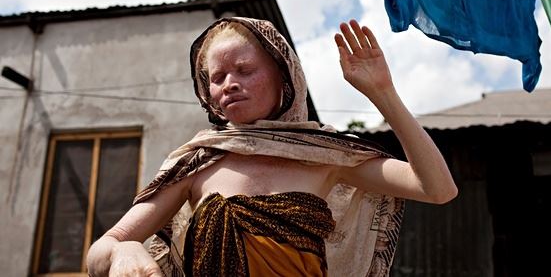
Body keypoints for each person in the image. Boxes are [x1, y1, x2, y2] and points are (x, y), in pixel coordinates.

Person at [87, 17, 457, 277]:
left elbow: (437, 188)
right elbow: (99, 252)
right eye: (217, 77)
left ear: (285, 80)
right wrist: (124, 249)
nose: (230, 83)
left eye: (245, 70)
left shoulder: (326, 156)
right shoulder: (196, 163)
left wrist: (383, 93)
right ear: (208, 95)